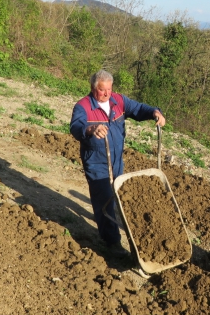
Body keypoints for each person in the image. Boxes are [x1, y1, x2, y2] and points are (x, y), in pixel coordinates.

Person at [70, 70, 165, 256]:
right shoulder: (83, 106)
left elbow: (139, 109)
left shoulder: (118, 101)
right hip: (97, 162)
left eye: (108, 89)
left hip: (116, 159)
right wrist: (91, 128)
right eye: (101, 90)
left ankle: (119, 229)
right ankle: (112, 244)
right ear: (93, 88)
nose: (105, 94)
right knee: (104, 199)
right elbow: (75, 127)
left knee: (120, 197)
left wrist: (155, 112)